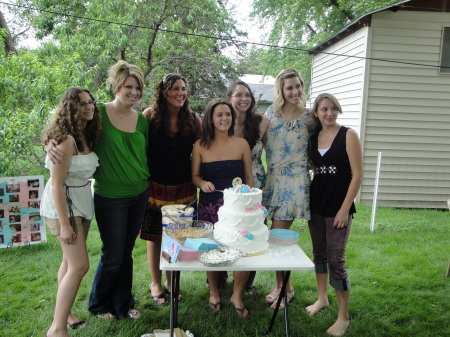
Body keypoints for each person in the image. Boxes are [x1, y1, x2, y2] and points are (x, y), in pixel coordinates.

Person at [46, 60, 150, 320]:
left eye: (137, 87)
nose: (134, 92)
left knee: (126, 255)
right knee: (113, 256)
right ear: (117, 86)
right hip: (111, 197)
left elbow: (143, 153)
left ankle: (123, 304)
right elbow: (66, 129)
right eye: (128, 86)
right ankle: (99, 304)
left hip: (138, 193)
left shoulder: (142, 120)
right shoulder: (98, 113)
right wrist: (49, 143)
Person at [40, 87, 101, 337]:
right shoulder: (65, 140)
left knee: (68, 263)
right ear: (69, 108)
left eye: (90, 102)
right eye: (81, 104)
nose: (88, 107)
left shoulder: (85, 134)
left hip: (82, 203)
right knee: (80, 266)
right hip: (64, 208)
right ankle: (57, 329)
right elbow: (56, 184)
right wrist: (65, 225)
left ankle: (65, 314)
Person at [140, 73, 202, 305]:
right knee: (155, 237)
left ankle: (171, 281)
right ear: (164, 92)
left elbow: (204, 146)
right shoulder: (149, 116)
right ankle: (155, 282)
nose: (181, 93)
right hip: (156, 187)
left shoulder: (193, 118)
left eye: (184, 89)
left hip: (184, 189)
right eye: (175, 88)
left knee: (176, 238)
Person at [305, 93, 362, 336]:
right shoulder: (313, 138)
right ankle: (322, 299)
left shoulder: (348, 135)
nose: (329, 113)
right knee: (319, 255)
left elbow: (357, 175)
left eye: (333, 109)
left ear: (337, 110)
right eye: (324, 109)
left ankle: (343, 316)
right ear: (316, 113)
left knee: (336, 261)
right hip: (316, 205)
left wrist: (344, 209)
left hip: (339, 208)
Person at [191, 98, 253, 318]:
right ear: (210, 118)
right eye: (219, 115)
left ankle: (237, 295)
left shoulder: (242, 143)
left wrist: (251, 204)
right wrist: (202, 183)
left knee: (241, 249)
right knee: (210, 248)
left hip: (237, 206)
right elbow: (195, 176)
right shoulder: (200, 145)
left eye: (228, 114)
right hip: (209, 206)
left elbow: (248, 177)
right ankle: (214, 292)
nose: (224, 118)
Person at [263, 68, 315, 310]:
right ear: (281, 91)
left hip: (294, 182)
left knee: (278, 236)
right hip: (272, 180)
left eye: (298, 86)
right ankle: (281, 285)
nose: (295, 91)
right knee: (273, 236)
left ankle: (286, 289)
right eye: (289, 87)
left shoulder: (310, 118)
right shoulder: (270, 114)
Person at [226, 80, 270, 294]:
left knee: (252, 230)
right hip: (229, 182)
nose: (244, 99)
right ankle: (220, 274)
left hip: (256, 181)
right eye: (239, 95)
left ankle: (247, 281)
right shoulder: (222, 121)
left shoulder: (262, 122)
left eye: (248, 95)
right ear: (229, 98)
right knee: (229, 227)